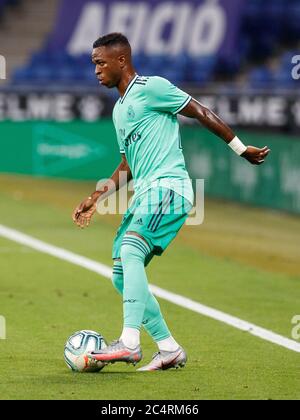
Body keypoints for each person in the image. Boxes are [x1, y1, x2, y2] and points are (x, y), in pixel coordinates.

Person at [72, 33, 270, 371]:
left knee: (132, 250)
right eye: (94, 64)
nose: (96, 70)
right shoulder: (120, 111)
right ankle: (168, 348)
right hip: (145, 194)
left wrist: (240, 148)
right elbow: (128, 166)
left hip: (169, 188)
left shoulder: (153, 88)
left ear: (122, 61)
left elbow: (200, 111)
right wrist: (95, 197)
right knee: (121, 273)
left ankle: (129, 343)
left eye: (101, 62)